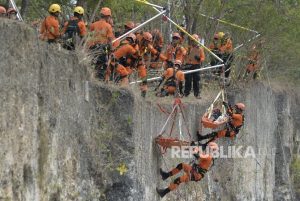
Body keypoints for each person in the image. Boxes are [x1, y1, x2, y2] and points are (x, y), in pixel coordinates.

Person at [89, 7, 115, 80]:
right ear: (107, 16)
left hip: (92, 48)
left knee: (92, 65)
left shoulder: (93, 25)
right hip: (102, 49)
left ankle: (91, 78)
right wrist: (112, 50)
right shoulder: (108, 26)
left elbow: (88, 37)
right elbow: (110, 40)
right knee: (101, 66)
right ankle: (98, 82)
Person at [184, 34, 205, 99]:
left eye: (194, 41)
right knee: (188, 80)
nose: (193, 42)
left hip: (196, 65)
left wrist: (199, 59)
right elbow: (184, 55)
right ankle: (186, 93)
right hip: (188, 65)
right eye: (192, 41)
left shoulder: (200, 49)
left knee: (196, 80)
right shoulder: (188, 48)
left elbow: (203, 58)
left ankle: (197, 94)